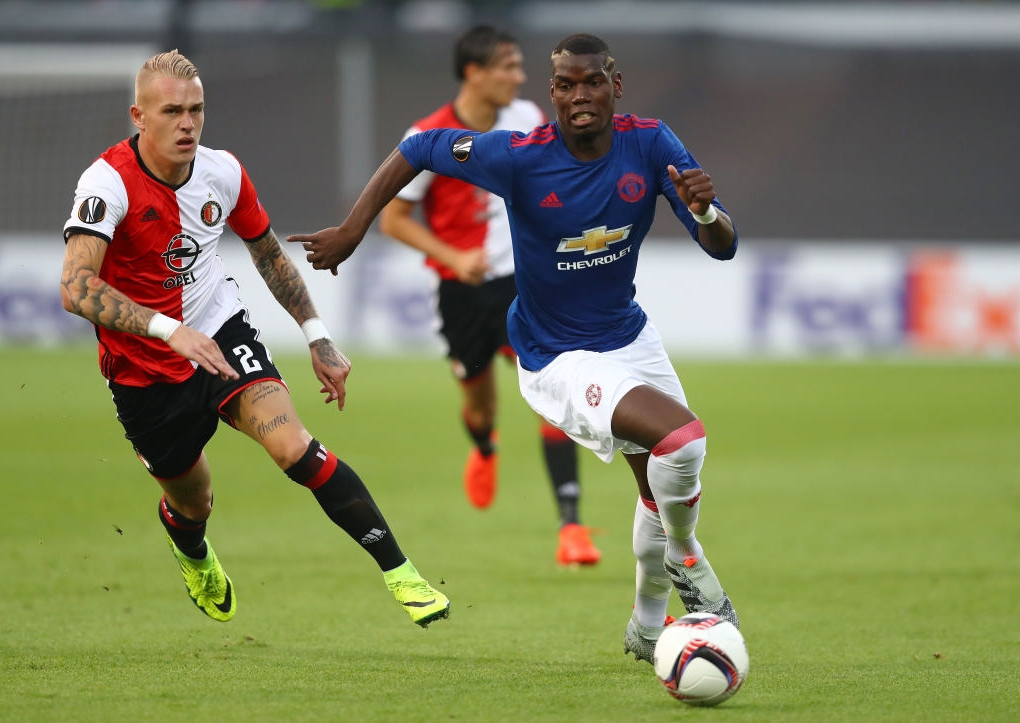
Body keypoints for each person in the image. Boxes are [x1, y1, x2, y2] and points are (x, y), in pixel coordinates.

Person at [290, 33, 741, 660]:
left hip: (630, 337)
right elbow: (418, 147)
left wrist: (707, 214)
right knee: (682, 442)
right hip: (556, 354)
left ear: (617, 85)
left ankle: (645, 626)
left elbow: (722, 245)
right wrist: (351, 229)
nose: (580, 95)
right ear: (551, 92)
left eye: (593, 82)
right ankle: (689, 560)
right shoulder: (520, 157)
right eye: (566, 84)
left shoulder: (652, 142)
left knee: (655, 487)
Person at [59, 50, 449, 628]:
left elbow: (267, 254)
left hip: (220, 332)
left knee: (294, 447)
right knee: (194, 502)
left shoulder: (222, 172)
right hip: (144, 370)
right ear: (139, 116)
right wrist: (170, 331)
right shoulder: (107, 182)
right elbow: (74, 286)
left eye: (196, 110)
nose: (188, 123)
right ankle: (191, 549)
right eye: (172, 111)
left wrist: (317, 336)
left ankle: (403, 574)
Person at [378, 26, 599, 566]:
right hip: (461, 291)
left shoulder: (526, 118)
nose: (520, 78)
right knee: (480, 405)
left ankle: (571, 527)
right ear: (475, 72)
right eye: (509, 66)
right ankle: (483, 446)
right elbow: (393, 218)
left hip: (525, 285)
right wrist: (453, 257)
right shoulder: (427, 134)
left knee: (553, 395)